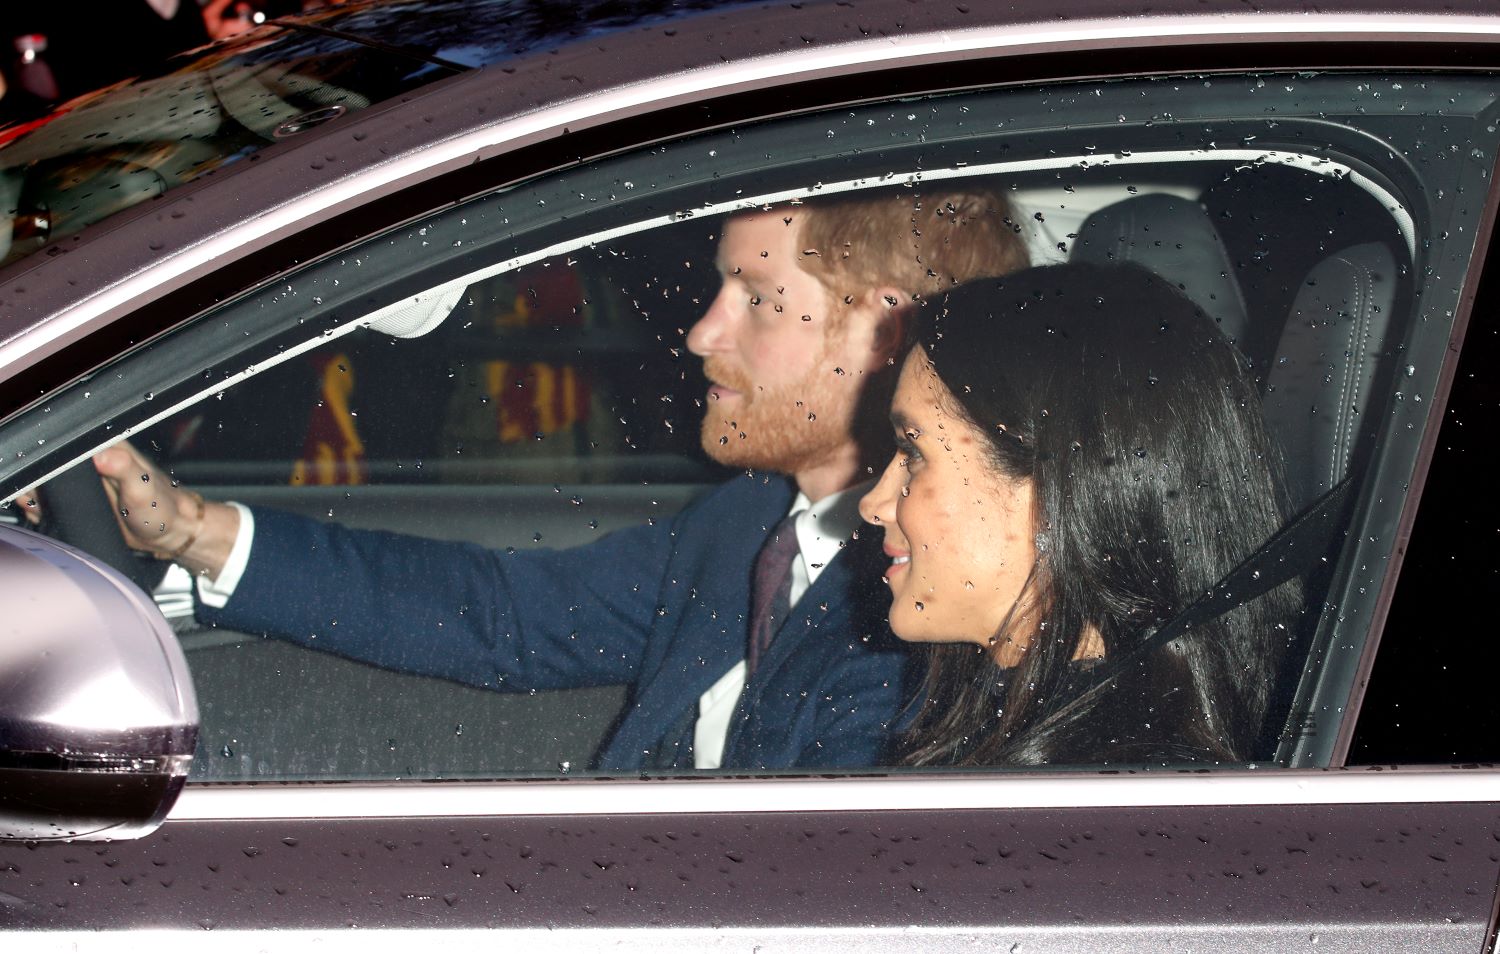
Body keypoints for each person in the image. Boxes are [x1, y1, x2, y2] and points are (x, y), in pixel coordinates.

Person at [71, 188, 1031, 772]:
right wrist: (194, 533)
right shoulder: (753, 523)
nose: (703, 333)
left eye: (756, 298)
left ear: (885, 333)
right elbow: (507, 615)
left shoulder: (927, 608)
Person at [858, 262, 1302, 766]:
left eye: (913, 453)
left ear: (1053, 486)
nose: (872, 505)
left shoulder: (1115, 802)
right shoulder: (1095, 755)